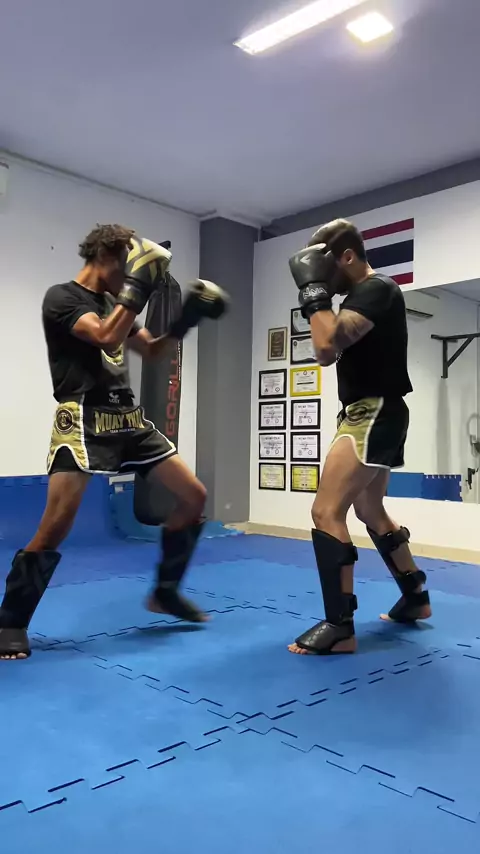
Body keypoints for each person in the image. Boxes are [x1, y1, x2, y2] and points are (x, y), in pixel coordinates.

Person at [0, 224, 228, 660]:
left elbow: (153, 351)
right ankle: (10, 621)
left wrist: (188, 318)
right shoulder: (62, 297)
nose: (128, 282)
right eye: (127, 271)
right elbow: (105, 336)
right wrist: (138, 288)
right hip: (83, 418)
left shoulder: (114, 304)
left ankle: (165, 592)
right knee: (55, 527)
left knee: (193, 496)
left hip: (128, 420)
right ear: (104, 257)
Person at [287, 218, 431, 655]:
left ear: (346, 256)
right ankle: (415, 597)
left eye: (324, 267)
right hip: (374, 411)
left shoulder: (376, 288)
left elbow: (325, 348)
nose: (322, 278)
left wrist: (313, 292)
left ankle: (340, 628)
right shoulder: (363, 295)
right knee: (369, 508)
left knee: (325, 510)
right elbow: (330, 349)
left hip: (373, 412)